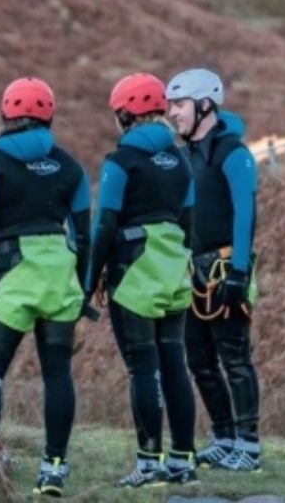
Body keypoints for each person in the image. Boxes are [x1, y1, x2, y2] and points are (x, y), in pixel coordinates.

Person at [0, 77, 91, 497]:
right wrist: (81, 289)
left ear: (5, 116)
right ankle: (53, 468)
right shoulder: (70, 166)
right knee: (57, 374)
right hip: (59, 277)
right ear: (48, 115)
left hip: (14, 274)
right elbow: (84, 235)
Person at [86, 73, 198, 487]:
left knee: (143, 370)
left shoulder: (120, 162)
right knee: (175, 367)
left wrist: (90, 279)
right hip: (173, 270)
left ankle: (149, 463)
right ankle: (183, 461)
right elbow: (188, 220)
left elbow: (105, 224)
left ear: (123, 114)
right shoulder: (181, 158)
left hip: (133, 272)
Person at [166, 68, 261, 472]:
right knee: (199, 359)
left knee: (235, 358)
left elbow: (246, 213)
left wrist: (239, 272)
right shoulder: (185, 155)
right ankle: (223, 437)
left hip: (225, 269)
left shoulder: (232, 152)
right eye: (171, 105)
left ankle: (249, 446)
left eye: (179, 105)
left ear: (205, 105)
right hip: (192, 273)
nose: (172, 113)